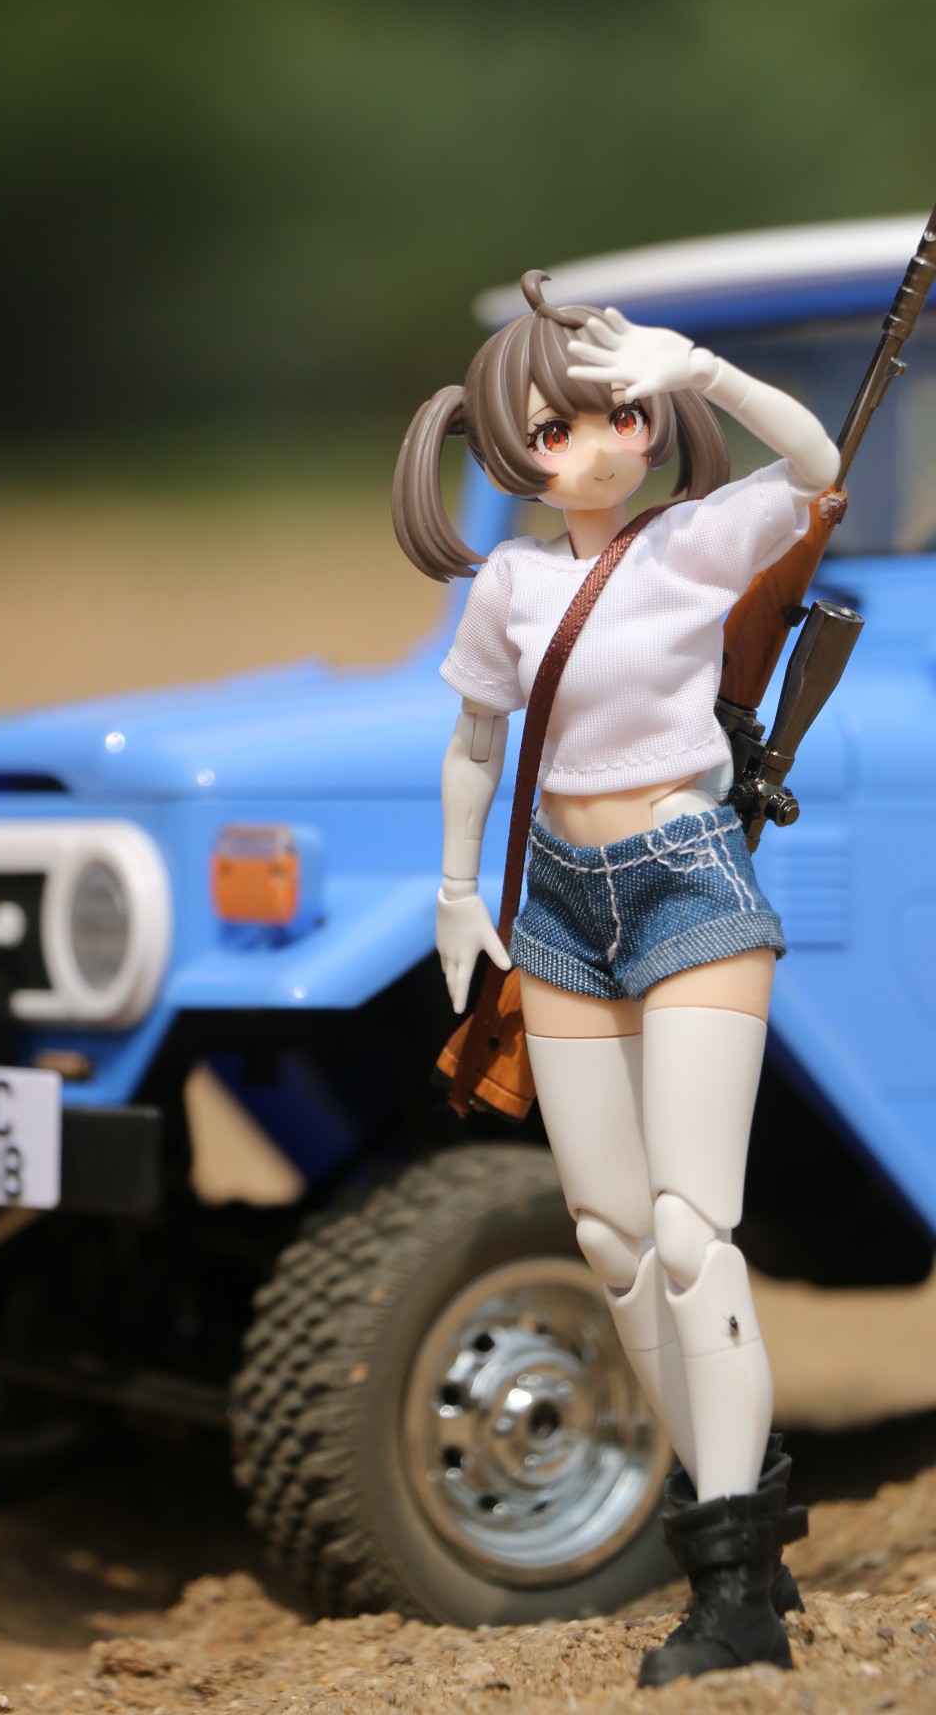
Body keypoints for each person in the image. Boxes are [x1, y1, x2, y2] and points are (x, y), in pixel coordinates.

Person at [391, 269, 840, 1685]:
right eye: (554, 426)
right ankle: (735, 1495)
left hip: (689, 880)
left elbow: (815, 465)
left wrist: (698, 367)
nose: (593, 444)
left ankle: (732, 1575)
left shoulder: (701, 541)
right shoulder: (512, 586)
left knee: (696, 1230)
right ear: (504, 447)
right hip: (558, 909)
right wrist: (458, 889)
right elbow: (476, 741)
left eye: (617, 413)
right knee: (612, 1238)